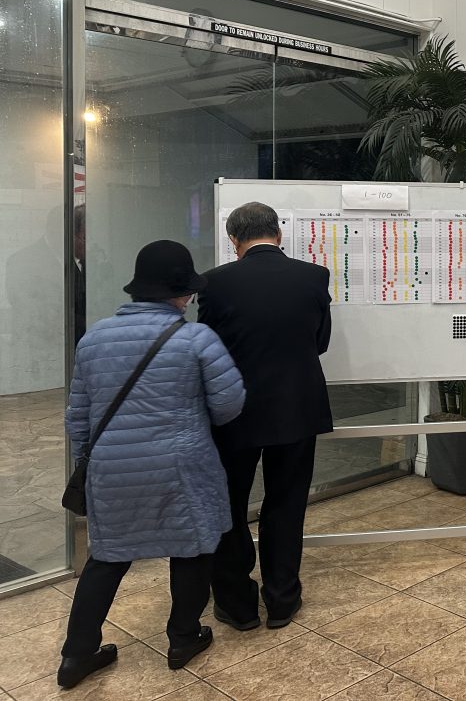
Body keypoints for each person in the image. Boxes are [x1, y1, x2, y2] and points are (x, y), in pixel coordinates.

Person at [60, 240, 245, 689]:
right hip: (181, 466)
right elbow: (229, 405)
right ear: (183, 293)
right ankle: (183, 638)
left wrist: (93, 458)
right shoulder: (196, 339)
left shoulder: (94, 338)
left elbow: (77, 417)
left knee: (107, 558)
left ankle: (76, 656)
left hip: (113, 468)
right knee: (192, 548)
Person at [199, 202, 332, 631]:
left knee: (229, 505)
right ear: (278, 233)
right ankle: (281, 600)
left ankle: (237, 605)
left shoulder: (214, 282)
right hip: (297, 406)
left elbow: (207, 350)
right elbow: (320, 342)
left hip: (233, 412)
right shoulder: (314, 276)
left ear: (233, 240)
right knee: (287, 504)